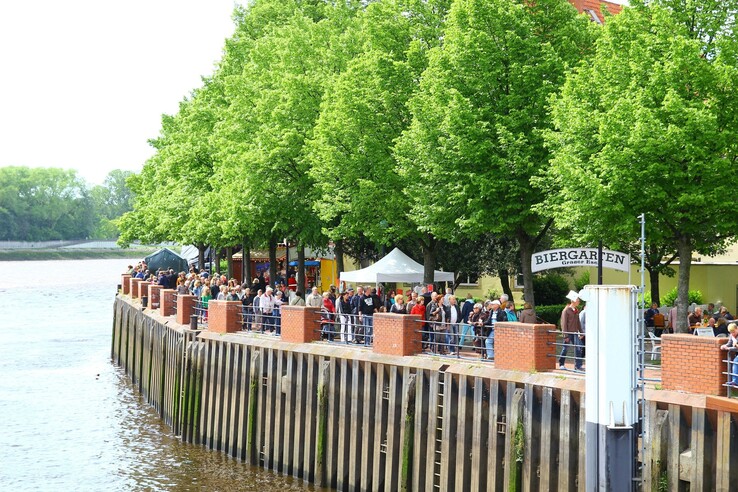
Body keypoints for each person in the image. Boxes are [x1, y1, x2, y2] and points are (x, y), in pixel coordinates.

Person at [559, 290, 582, 370]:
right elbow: (564, 323)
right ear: (573, 301)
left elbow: (578, 322)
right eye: (577, 300)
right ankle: (561, 363)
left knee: (578, 348)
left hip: (575, 332)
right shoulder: (566, 311)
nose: (579, 301)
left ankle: (578, 365)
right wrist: (565, 335)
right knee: (565, 348)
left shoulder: (576, 311)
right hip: (569, 333)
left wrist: (581, 332)